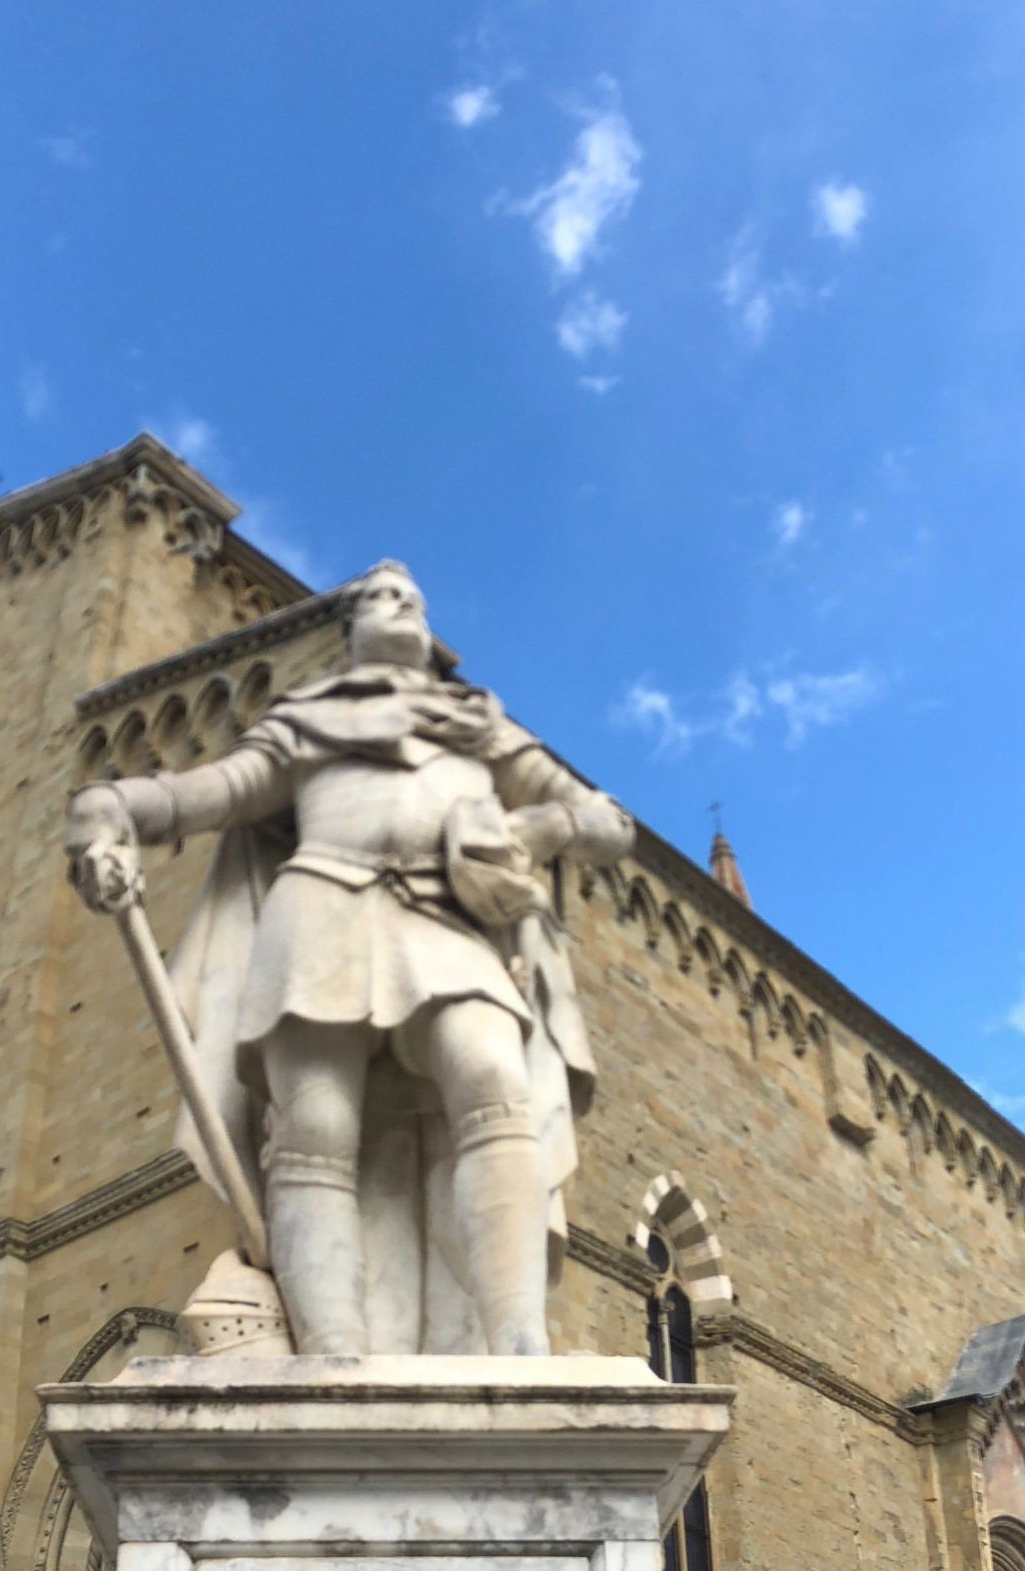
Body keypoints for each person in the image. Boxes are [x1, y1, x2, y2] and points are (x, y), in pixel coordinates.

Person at [67, 559, 634, 1359]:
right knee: (313, 1129)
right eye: (376, 596)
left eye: (409, 596)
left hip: (448, 923)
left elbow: (606, 822)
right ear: (351, 628)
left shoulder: (482, 728)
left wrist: (546, 830)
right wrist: (106, 813)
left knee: (496, 1086)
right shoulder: (309, 721)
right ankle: (330, 1348)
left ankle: (515, 1339)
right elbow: (209, 794)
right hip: (321, 915)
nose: (396, 602)